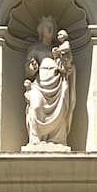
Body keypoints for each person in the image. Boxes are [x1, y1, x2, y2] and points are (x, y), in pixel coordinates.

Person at [23, 16, 76, 148]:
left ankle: (57, 140)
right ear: (41, 30)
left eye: (53, 27)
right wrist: (32, 67)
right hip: (40, 85)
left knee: (62, 105)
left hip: (57, 83)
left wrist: (61, 57)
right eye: (48, 26)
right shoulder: (34, 49)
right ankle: (35, 139)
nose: (51, 29)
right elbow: (28, 71)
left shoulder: (58, 48)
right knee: (35, 107)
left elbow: (67, 65)